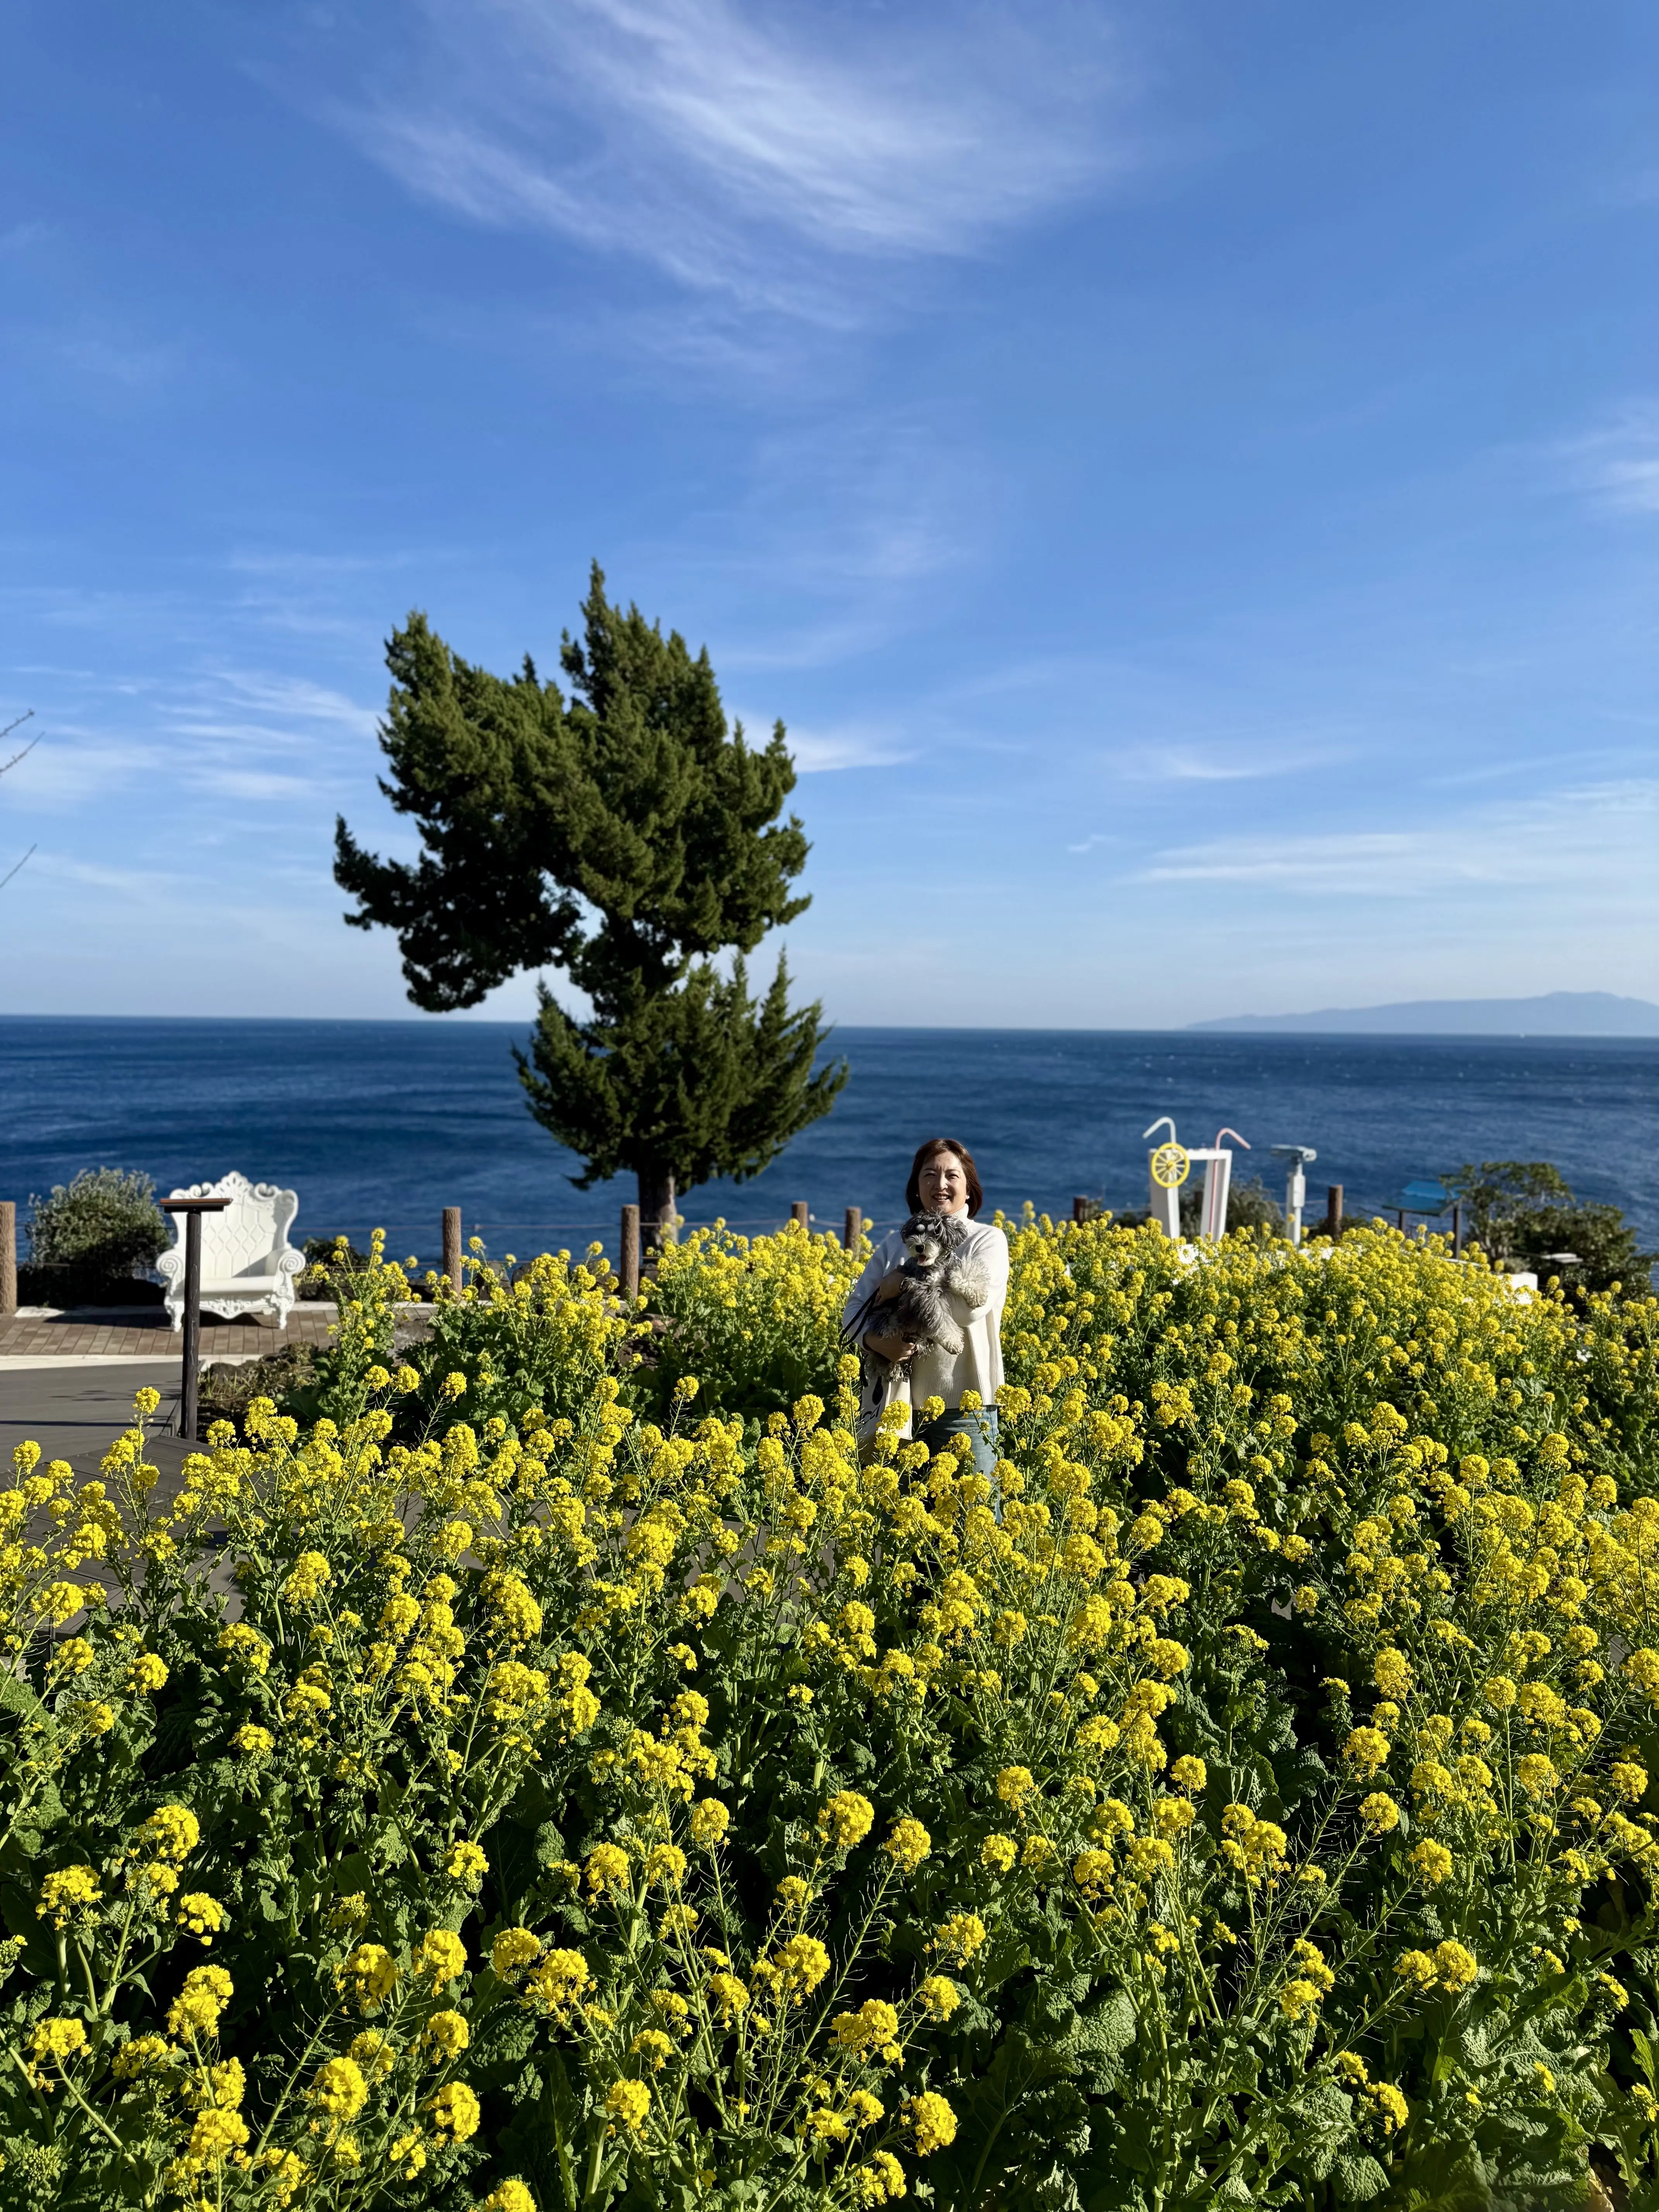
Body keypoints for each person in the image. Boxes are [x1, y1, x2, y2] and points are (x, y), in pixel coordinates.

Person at [843, 1136, 1009, 1474]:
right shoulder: (896, 1243)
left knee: (969, 1521)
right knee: (894, 1520)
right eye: (929, 1175)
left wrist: (900, 1286)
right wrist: (878, 1342)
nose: (940, 1185)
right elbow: (853, 1312)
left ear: (969, 1188)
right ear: (916, 1187)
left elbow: (967, 1311)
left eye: (952, 1176)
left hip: (965, 1408)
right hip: (896, 1406)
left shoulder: (986, 1240)